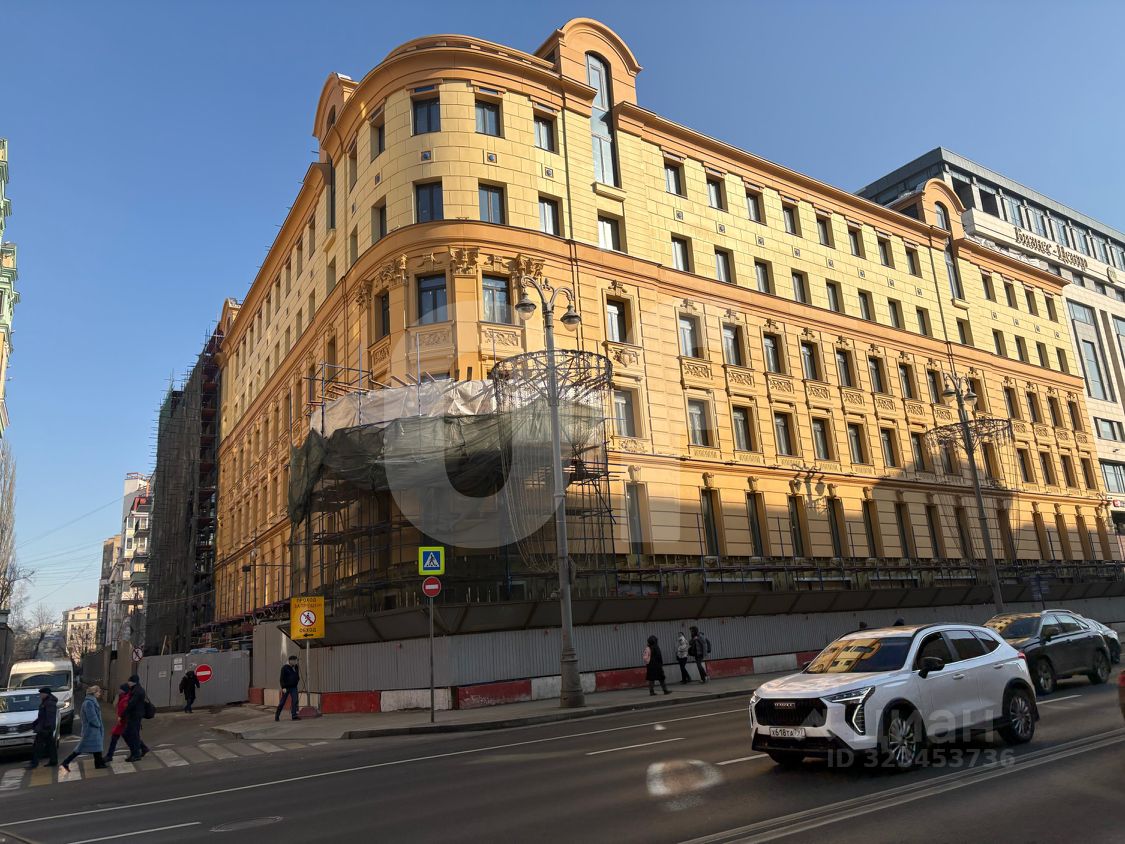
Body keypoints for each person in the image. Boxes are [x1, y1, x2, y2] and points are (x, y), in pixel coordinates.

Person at [60, 686, 107, 773]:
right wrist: (98, 724)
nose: (99, 694)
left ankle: (99, 763)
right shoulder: (89, 703)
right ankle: (65, 763)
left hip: (93, 730)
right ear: (93, 693)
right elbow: (92, 717)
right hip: (90, 730)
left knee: (97, 747)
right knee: (80, 749)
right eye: (98, 692)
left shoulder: (91, 701)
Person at [27, 686, 59, 770]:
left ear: (46, 694)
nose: (40, 695)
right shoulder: (46, 701)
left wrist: (46, 728)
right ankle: (53, 761)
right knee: (51, 745)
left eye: (41, 694)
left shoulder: (49, 703)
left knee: (38, 746)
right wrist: (35, 723)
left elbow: (50, 717)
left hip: (45, 728)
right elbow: (42, 716)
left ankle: (34, 763)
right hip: (45, 727)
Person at [122, 674, 149, 762]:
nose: (128, 683)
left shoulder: (137, 691)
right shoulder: (135, 689)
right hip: (135, 715)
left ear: (134, 682)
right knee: (133, 734)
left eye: (130, 681)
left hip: (135, 716)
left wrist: (123, 714)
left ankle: (136, 754)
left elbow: (131, 704)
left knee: (130, 734)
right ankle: (143, 748)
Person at [104, 683, 131, 762]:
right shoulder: (122, 697)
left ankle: (109, 756)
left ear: (125, 690)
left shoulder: (126, 699)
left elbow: (125, 711)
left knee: (117, 737)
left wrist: (121, 718)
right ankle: (141, 748)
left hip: (123, 722)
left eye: (121, 689)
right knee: (128, 738)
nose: (119, 690)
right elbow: (115, 705)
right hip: (122, 722)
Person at [275, 655, 301, 721]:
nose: (296, 662)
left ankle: (294, 715)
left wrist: (297, 679)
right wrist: (283, 687)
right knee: (282, 702)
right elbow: (281, 679)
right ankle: (277, 715)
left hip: (294, 687)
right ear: (290, 661)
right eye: (295, 661)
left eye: (296, 661)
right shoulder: (284, 668)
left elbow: (297, 675)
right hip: (286, 688)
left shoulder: (296, 667)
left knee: (295, 701)